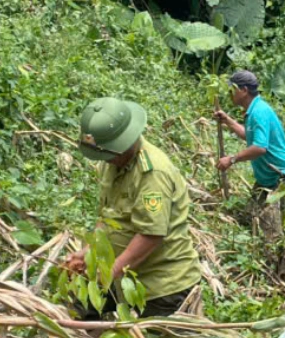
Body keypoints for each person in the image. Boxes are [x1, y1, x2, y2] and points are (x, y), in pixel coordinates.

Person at [65, 97, 201, 318]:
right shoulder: (113, 163)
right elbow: (109, 217)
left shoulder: (153, 173)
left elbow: (151, 235)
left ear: (124, 143)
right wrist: (87, 254)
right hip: (122, 275)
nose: (105, 160)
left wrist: (110, 272)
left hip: (161, 286)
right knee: (77, 313)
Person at [213, 70, 285, 193]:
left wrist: (231, 159)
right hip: (268, 179)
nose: (230, 93)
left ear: (244, 91)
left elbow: (259, 148)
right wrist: (228, 121)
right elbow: (249, 136)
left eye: (233, 89)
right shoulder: (254, 109)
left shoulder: (259, 112)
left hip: (281, 178)